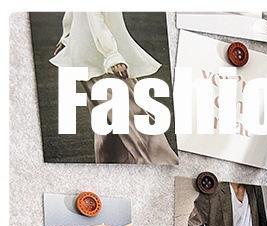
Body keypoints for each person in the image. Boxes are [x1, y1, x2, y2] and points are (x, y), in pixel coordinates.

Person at [50, 12, 178, 165]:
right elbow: (95, 18)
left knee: (108, 124)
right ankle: (163, 165)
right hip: (101, 61)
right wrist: (112, 56)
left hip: (88, 58)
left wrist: (69, 37)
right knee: (132, 120)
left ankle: (113, 167)